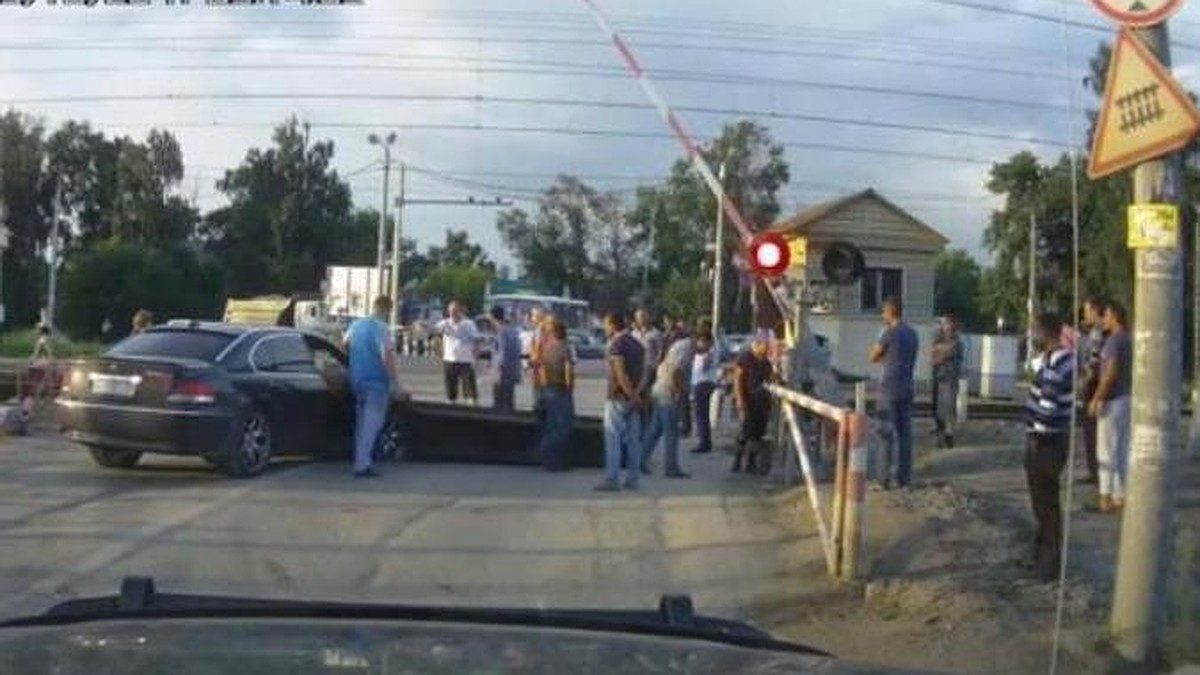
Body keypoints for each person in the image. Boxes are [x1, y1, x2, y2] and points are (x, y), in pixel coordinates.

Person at [1023, 312, 1074, 581]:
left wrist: (1036, 434)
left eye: (1035, 331)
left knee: (1046, 504)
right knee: (1042, 503)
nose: (1033, 336)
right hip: (1044, 440)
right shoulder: (1053, 361)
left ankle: (1049, 563)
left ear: (1047, 334)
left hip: (1047, 442)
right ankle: (1042, 555)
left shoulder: (1059, 364)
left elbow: (1049, 408)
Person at [343, 295, 405, 479]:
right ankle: (362, 464)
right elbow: (386, 355)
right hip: (376, 382)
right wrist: (395, 383)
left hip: (357, 379)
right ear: (388, 310)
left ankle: (361, 459)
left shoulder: (356, 325)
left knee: (361, 423)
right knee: (371, 424)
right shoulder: (381, 328)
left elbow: (344, 344)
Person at [868, 296, 919, 488]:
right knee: (905, 434)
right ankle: (904, 478)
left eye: (883, 312)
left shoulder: (889, 332)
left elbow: (873, 356)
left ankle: (883, 479)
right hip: (907, 386)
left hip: (889, 387)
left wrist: (882, 354)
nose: (882, 315)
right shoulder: (913, 333)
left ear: (890, 311)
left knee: (885, 433)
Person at [1089, 301, 1131, 514]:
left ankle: (1105, 497)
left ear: (1113, 316)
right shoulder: (1130, 339)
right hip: (1127, 398)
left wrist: (1097, 398)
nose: (1103, 321)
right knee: (1122, 449)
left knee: (1105, 450)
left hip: (1112, 400)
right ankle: (1120, 496)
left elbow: (1110, 373)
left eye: (1105, 316)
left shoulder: (1113, 341)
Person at [596, 312, 645, 492]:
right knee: (633, 441)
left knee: (613, 438)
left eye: (606, 324)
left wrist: (630, 394)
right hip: (635, 398)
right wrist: (638, 395)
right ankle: (633, 479)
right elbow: (644, 372)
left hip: (618, 397)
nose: (604, 328)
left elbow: (620, 374)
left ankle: (612, 479)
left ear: (612, 324)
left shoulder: (616, 345)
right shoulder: (638, 345)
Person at [641, 322, 692, 480]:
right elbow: (675, 371)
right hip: (667, 393)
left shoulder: (679, 346)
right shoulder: (686, 349)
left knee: (655, 430)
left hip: (659, 389)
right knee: (671, 432)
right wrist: (677, 392)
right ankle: (671, 467)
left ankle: (639, 460)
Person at [534, 318, 575, 472]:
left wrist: (543, 386)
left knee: (550, 426)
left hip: (548, 388)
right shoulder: (565, 348)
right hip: (560, 388)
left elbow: (541, 369)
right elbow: (568, 370)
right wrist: (570, 388)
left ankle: (547, 460)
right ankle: (559, 461)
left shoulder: (547, 347)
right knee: (562, 426)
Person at [732, 335, 775, 474]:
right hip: (748, 401)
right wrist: (740, 400)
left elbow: (770, 380)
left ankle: (751, 462)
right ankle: (737, 461)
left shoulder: (766, 363)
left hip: (762, 404)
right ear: (757, 345)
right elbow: (738, 380)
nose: (767, 349)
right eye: (765, 346)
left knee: (757, 434)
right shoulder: (745, 359)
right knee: (744, 433)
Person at [1078, 296, 1106, 486]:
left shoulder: (1097, 333)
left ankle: (1096, 474)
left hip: (1093, 384)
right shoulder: (1093, 332)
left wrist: (1083, 382)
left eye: (1087, 311)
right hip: (1092, 383)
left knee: (1092, 430)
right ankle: (1094, 472)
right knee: (1090, 431)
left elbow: (1094, 362)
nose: (1085, 315)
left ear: (1095, 311)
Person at [931, 314, 965, 449]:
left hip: (951, 378)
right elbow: (934, 358)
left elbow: (950, 352)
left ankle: (949, 435)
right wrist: (942, 351)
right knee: (938, 408)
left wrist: (941, 351)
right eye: (944, 324)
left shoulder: (958, 342)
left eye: (948, 323)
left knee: (949, 407)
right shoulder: (937, 339)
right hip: (938, 377)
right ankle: (940, 434)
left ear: (953, 326)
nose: (945, 326)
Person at [436, 301, 479, 406]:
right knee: (450, 388)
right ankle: (451, 404)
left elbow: (476, 340)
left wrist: (475, 356)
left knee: (469, 388)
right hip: (450, 359)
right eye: (450, 311)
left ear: (460, 311)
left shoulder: (469, 324)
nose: (452, 314)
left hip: (465, 360)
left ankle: (472, 406)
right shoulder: (445, 323)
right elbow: (433, 330)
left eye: (455, 311)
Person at [689, 332, 719, 455]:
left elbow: (703, 368)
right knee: (702, 415)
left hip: (703, 384)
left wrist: (701, 355)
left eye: (701, 341)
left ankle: (704, 442)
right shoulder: (704, 353)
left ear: (708, 342)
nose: (698, 343)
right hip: (701, 383)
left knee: (700, 415)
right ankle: (705, 441)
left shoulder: (708, 354)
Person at [489, 306, 522, 412]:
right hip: (512, 369)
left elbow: (502, 351)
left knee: (499, 401)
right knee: (509, 400)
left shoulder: (501, 331)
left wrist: (497, 367)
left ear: (492, 317)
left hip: (502, 371)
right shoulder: (512, 329)